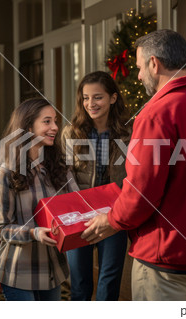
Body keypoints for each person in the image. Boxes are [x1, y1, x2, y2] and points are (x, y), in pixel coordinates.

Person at [82, 30, 186, 301]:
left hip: (165, 257)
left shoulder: (157, 113)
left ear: (154, 64)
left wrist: (112, 220)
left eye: (140, 68)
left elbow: (142, 188)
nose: (139, 76)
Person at [0, 98, 79, 301]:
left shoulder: (58, 167)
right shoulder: (8, 172)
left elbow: (77, 204)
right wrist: (34, 233)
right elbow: (0, 228)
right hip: (19, 271)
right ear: (28, 127)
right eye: (47, 121)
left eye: (55, 121)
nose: (55, 127)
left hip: (52, 270)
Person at [61, 71, 132, 301]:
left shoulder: (128, 134)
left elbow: (134, 176)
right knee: (79, 284)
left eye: (98, 97)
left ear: (113, 98)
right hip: (79, 216)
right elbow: (64, 175)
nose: (91, 103)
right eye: (86, 98)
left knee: (109, 281)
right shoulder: (71, 133)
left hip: (114, 215)